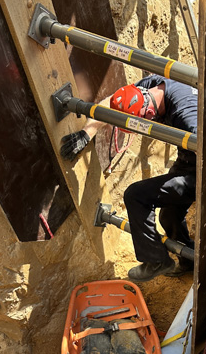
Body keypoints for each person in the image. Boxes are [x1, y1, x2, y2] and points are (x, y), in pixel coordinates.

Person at [60, 76, 198, 282]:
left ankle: (157, 261)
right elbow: (112, 101)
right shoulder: (150, 86)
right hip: (189, 157)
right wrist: (87, 133)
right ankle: (191, 262)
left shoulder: (187, 116)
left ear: (149, 114)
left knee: (136, 195)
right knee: (168, 216)